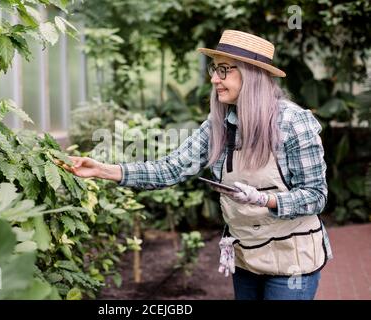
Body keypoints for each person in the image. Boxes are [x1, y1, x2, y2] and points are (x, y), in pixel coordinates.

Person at [59, 30, 332, 300]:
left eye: (224, 70)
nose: (214, 78)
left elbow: (316, 197)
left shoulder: (293, 123)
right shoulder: (218, 126)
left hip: (291, 258)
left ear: (251, 75)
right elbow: (171, 168)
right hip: (246, 255)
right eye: (214, 69)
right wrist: (102, 170)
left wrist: (265, 199)